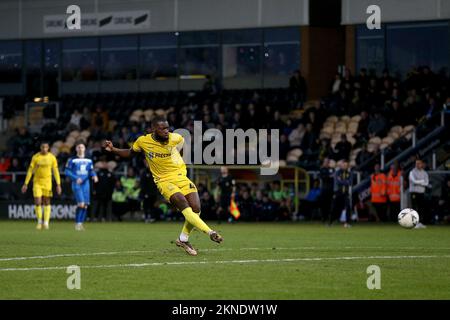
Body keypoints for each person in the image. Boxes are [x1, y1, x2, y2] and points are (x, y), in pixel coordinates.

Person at [103, 116, 223, 256]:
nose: (167, 131)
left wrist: (178, 160)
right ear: (154, 129)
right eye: (163, 128)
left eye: (167, 127)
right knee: (184, 205)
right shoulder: (143, 141)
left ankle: (183, 239)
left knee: (196, 208)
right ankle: (210, 232)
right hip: (164, 181)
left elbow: (182, 147)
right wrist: (113, 149)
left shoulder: (176, 138)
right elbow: (130, 152)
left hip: (181, 178)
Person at [21, 142, 62, 230]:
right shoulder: (36, 157)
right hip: (37, 182)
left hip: (47, 182)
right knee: (38, 202)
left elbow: (56, 172)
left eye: (46, 147)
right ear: (40, 148)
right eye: (43, 147)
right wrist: (26, 183)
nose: (44, 149)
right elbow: (30, 170)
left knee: (47, 202)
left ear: (48, 148)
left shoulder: (52, 157)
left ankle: (46, 223)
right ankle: (39, 222)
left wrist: (58, 184)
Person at [64, 142, 98, 230]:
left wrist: (94, 175)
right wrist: (75, 178)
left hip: (86, 184)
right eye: (79, 147)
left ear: (85, 149)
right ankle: (77, 223)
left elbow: (91, 170)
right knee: (81, 204)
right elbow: (67, 171)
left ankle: (80, 223)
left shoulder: (89, 160)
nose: (80, 149)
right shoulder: (72, 159)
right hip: (77, 184)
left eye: (82, 147)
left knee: (86, 205)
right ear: (76, 149)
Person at [330, 160, 352, 227]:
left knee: (348, 207)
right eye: (344, 165)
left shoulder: (349, 173)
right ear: (341, 166)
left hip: (346, 193)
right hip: (338, 192)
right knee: (334, 207)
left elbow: (350, 182)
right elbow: (338, 182)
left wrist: (343, 181)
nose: (345, 166)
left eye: (346, 165)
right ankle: (331, 222)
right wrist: (345, 182)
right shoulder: (337, 173)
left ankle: (347, 222)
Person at [409, 159, 429, 228]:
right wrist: (422, 181)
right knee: (414, 207)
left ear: (422, 164)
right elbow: (414, 181)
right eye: (416, 163)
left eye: (419, 163)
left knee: (421, 208)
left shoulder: (425, 173)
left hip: (421, 192)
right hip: (414, 192)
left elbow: (426, 183)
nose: (418, 165)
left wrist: (419, 182)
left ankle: (420, 222)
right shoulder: (412, 172)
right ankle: (414, 223)